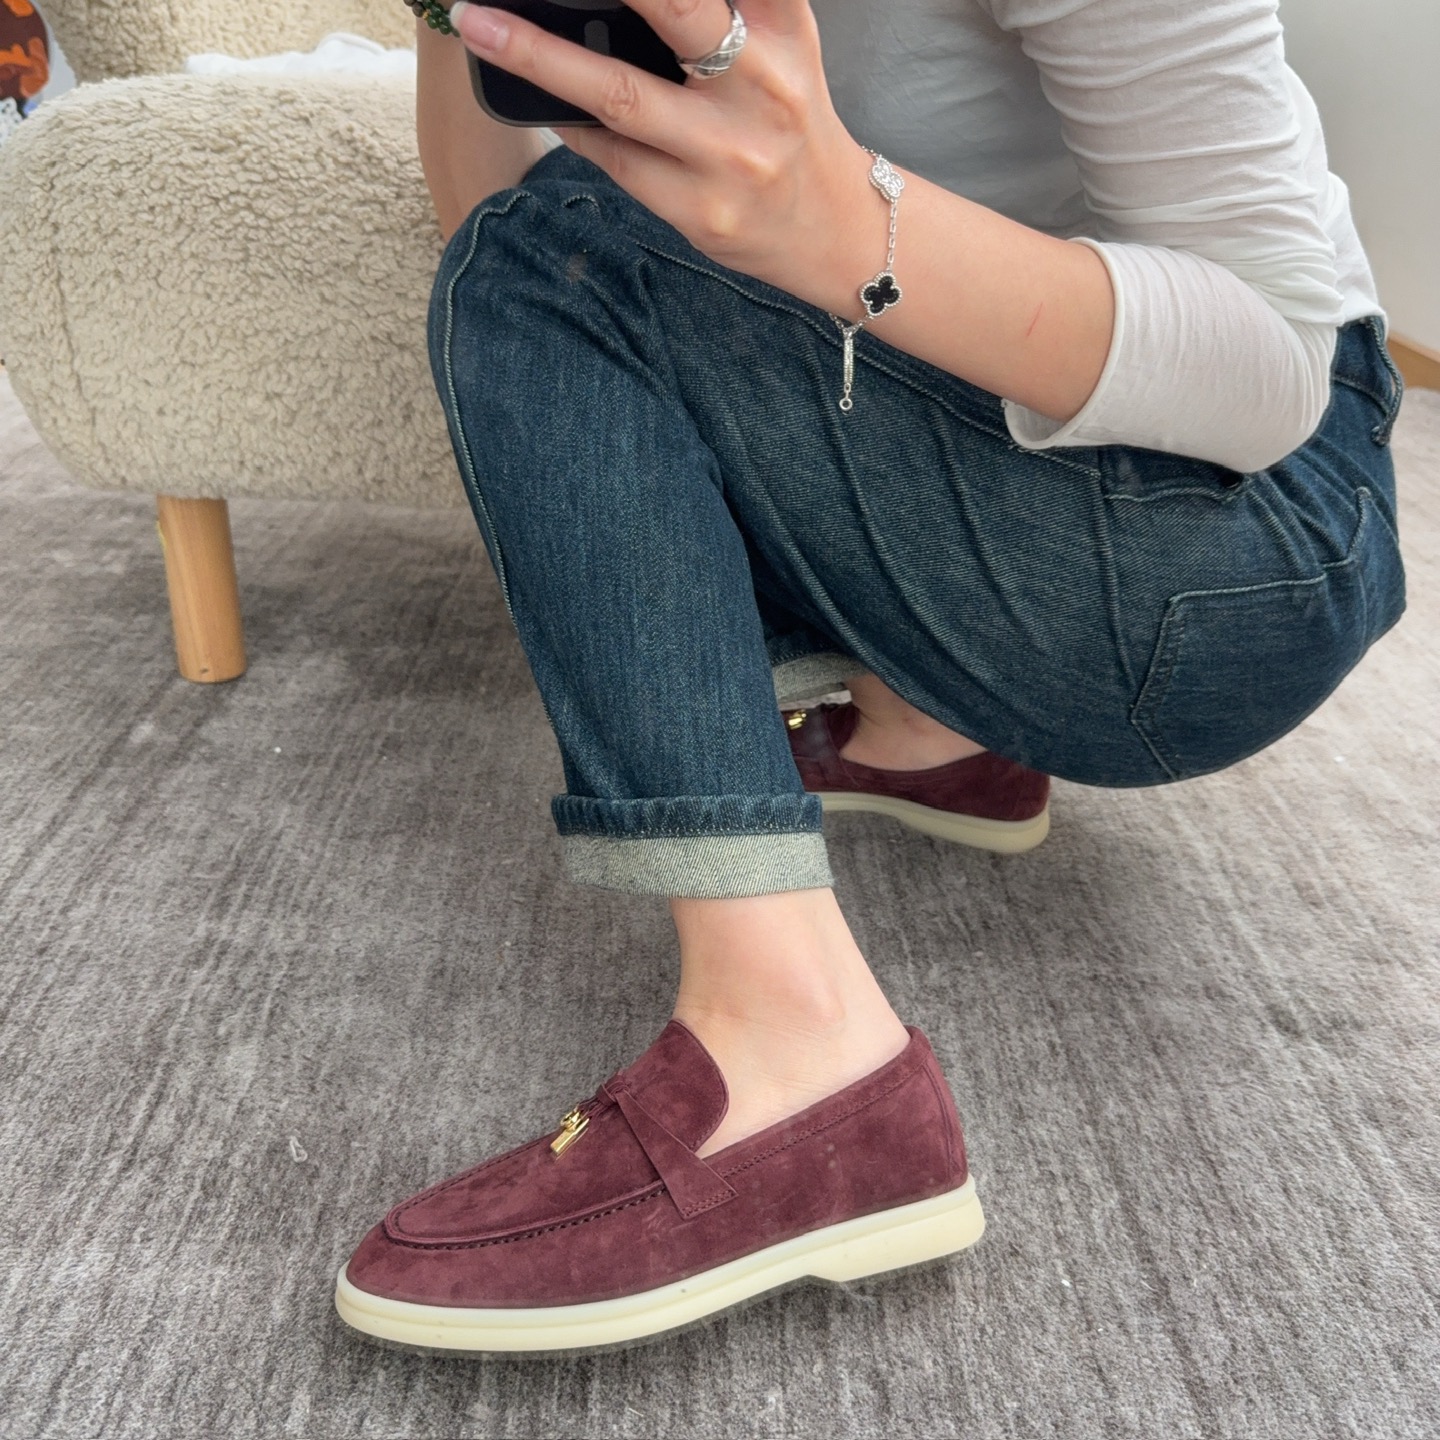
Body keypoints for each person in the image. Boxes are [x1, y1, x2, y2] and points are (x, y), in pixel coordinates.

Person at [334, 0, 1405, 1353]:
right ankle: (927, 732)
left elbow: (1270, 374)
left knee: (579, 263)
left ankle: (798, 1047)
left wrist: (841, 222)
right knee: (583, 252)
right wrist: (456, 23)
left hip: (1247, 537)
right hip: (1019, 451)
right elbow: (488, 241)